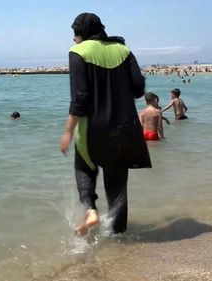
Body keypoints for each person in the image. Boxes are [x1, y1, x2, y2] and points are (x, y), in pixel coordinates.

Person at [60, 13, 151, 237]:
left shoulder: (78, 52)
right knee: (117, 185)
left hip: (93, 129)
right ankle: (119, 238)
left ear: (81, 33)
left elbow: (80, 98)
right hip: (125, 128)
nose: (74, 38)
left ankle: (91, 210)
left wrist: (68, 131)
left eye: (75, 34)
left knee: (84, 168)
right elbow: (139, 88)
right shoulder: (123, 50)